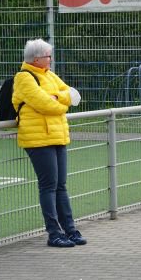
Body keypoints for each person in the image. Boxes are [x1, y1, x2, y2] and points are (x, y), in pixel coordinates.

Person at [12, 38, 86, 248]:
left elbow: (72, 95)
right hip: (38, 139)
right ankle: (54, 233)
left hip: (57, 136)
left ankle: (70, 230)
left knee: (60, 185)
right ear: (37, 59)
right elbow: (46, 105)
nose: (51, 59)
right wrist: (60, 102)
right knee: (48, 186)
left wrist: (57, 98)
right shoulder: (24, 78)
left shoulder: (49, 75)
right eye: (48, 56)